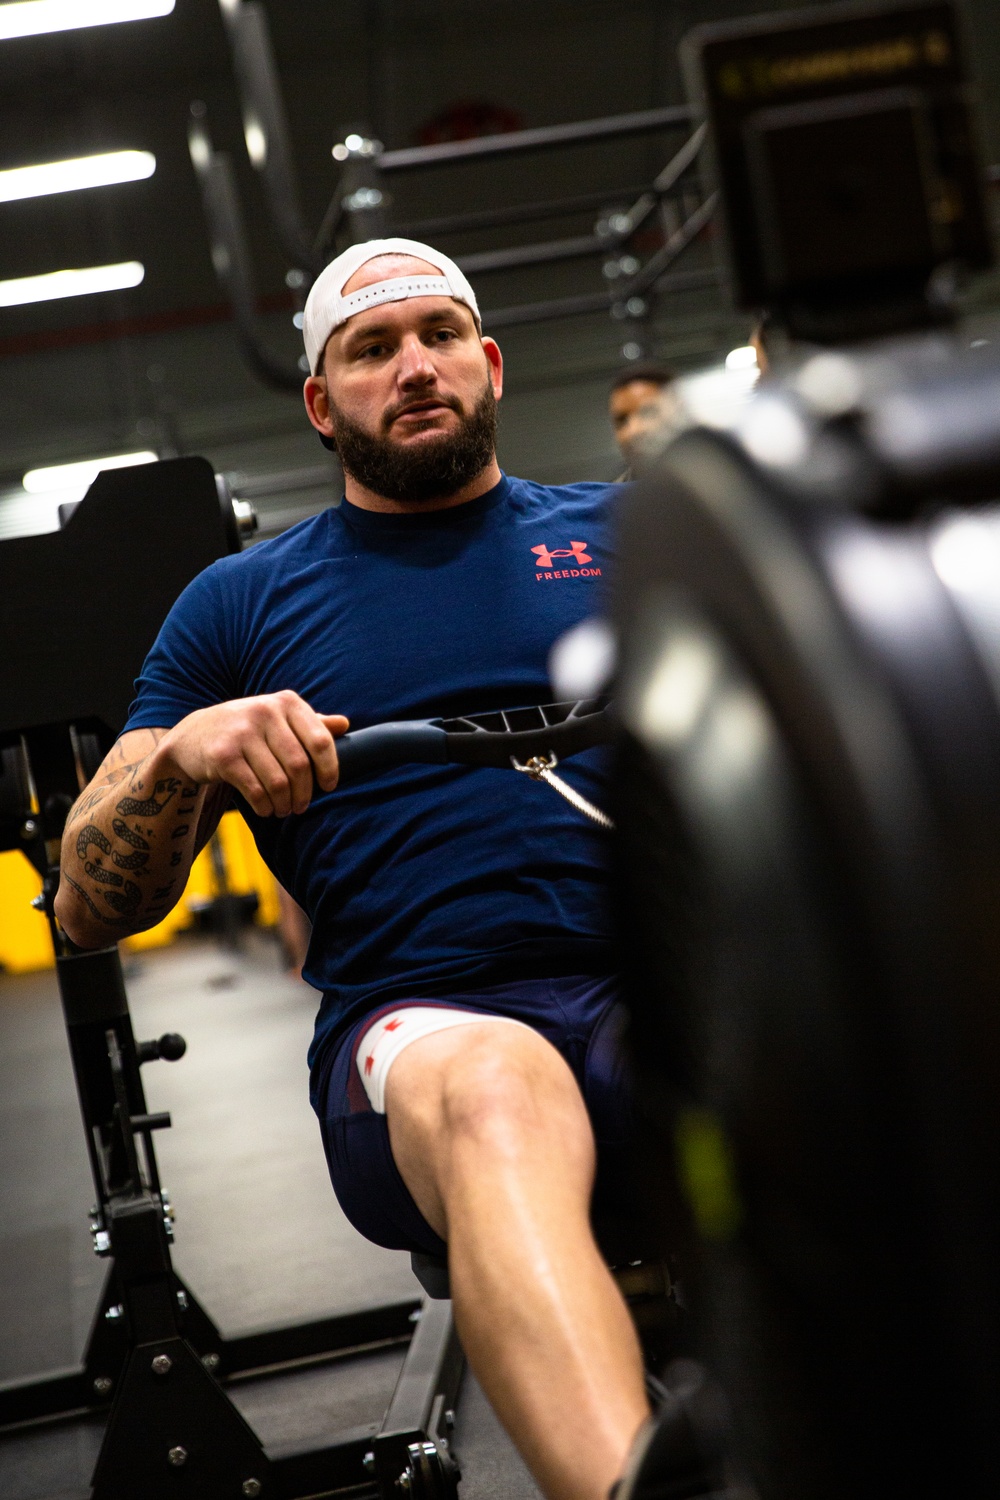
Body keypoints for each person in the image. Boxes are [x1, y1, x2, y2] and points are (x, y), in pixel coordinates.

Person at [54, 238, 670, 1500]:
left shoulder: (629, 536)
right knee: (502, 1086)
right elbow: (85, 899)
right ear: (321, 403)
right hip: (430, 1024)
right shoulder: (238, 605)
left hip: (659, 981)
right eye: (372, 349)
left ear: (489, 364)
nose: (416, 366)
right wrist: (184, 754)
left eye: (441, 334)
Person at [608, 363, 679, 474]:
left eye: (647, 413)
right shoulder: (614, 491)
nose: (633, 431)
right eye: (622, 421)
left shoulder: (711, 482)